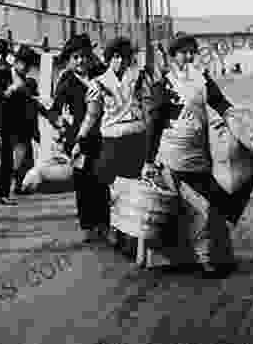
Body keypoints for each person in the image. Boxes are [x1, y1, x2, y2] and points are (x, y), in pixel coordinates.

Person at [141, 33, 238, 278]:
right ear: (173, 57)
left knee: (213, 208)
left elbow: (221, 103)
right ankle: (204, 261)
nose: (188, 57)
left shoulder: (202, 80)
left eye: (191, 53)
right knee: (194, 210)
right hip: (173, 158)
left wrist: (236, 120)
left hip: (200, 157)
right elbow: (153, 125)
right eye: (183, 53)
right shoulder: (162, 85)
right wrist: (149, 161)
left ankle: (217, 256)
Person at [73, 37, 150, 240]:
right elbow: (91, 116)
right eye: (115, 57)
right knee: (110, 187)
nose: (120, 62)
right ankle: (113, 227)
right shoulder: (97, 83)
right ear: (108, 59)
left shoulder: (139, 78)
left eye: (124, 57)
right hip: (112, 140)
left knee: (135, 187)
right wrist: (80, 140)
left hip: (137, 137)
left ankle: (133, 231)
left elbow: (148, 110)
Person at [49, 34, 106, 242]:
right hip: (77, 139)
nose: (81, 61)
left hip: (102, 134)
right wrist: (59, 123)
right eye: (76, 57)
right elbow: (53, 110)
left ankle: (104, 223)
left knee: (102, 179)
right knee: (83, 182)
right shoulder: (66, 80)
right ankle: (88, 225)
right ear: (69, 59)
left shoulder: (101, 74)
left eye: (84, 56)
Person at [0, 43, 44, 205]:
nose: (27, 68)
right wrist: (10, 90)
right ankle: (2, 193)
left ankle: (18, 185)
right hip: (5, 123)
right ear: (16, 62)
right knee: (7, 159)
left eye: (29, 66)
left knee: (22, 156)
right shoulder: (1, 74)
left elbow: (34, 100)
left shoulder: (30, 82)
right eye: (24, 64)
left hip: (23, 124)